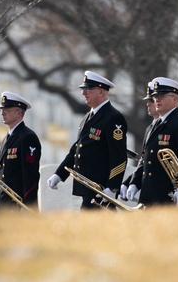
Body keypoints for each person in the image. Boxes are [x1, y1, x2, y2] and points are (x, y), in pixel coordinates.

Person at [47, 71, 128, 209]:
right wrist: (59, 174)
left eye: (88, 89)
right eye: (84, 89)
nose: (84, 93)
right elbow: (77, 149)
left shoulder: (113, 117)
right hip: (87, 188)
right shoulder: (88, 116)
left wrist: (111, 188)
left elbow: (119, 157)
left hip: (100, 189)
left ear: (101, 92)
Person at [137, 77, 178, 206]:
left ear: (174, 99)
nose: (157, 100)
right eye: (155, 97)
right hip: (148, 194)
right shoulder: (154, 125)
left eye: (162, 96)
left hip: (168, 194)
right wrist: (133, 183)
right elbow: (146, 159)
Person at [0, 91, 42, 209]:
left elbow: (30, 176)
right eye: (1, 110)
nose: (2, 113)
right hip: (5, 203)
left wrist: (28, 206)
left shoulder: (27, 137)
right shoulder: (7, 138)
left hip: (18, 205)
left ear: (18, 113)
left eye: (6, 110)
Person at [120, 80, 161, 202]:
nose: (148, 104)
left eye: (151, 101)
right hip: (148, 192)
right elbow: (144, 162)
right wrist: (130, 183)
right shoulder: (150, 128)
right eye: (148, 101)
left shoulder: (172, 125)